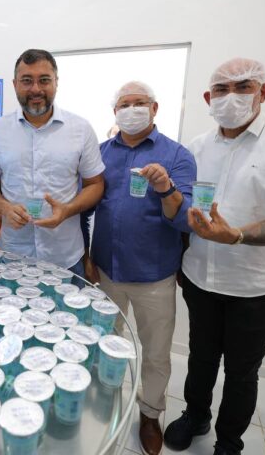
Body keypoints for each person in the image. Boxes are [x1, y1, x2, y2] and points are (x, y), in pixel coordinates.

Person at [164, 58, 265, 455]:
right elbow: (186, 213)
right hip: (200, 277)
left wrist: (234, 235)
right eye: (221, 89)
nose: (230, 96)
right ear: (208, 98)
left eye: (243, 86)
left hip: (256, 287)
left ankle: (229, 441)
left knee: (241, 371)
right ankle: (195, 415)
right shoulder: (196, 148)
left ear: (262, 92)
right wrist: (181, 257)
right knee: (200, 358)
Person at [83, 81, 196, 455]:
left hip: (153, 275)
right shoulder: (100, 153)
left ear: (155, 108)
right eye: (124, 104)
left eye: (139, 103)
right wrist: (86, 255)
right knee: (106, 342)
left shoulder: (177, 155)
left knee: (156, 351)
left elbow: (185, 219)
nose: (131, 110)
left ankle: (150, 414)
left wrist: (165, 188)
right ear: (115, 111)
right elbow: (87, 207)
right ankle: (107, 400)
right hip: (106, 270)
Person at [0, 49, 105, 275]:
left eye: (44, 80)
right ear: (15, 84)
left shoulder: (81, 129)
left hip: (65, 257)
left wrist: (68, 210)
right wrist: (5, 208)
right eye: (27, 81)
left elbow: (95, 184)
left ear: (56, 82)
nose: (36, 89)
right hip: (13, 255)